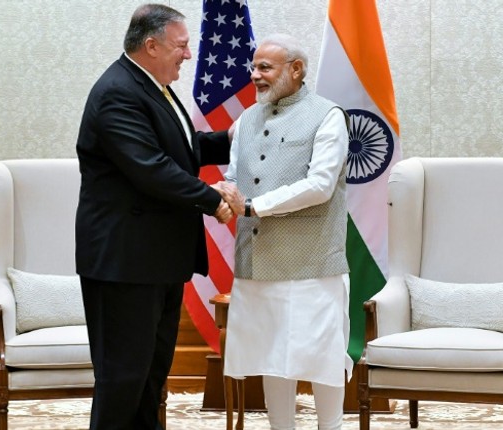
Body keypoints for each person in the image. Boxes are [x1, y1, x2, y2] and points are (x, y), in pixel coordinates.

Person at [74, 4, 234, 429]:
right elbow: (149, 167)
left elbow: (179, 146)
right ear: (151, 45)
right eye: (181, 46)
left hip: (156, 261)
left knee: (149, 377)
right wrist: (212, 198)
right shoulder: (117, 92)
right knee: (123, 379)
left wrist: (233, 140)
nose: (188, 55)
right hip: (124, 265)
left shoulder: (148, 84)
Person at [218, 33, 351, 430]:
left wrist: (254, 206)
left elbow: (320, 185)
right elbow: (234, 175)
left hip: (313, 263)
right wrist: (225, 197)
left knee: (322, 358)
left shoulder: (328, 115)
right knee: (272, 356)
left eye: (265, 67)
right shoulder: (245, 118)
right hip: (257, 263)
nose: (254, 75)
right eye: (253, 66)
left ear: (296, 69)